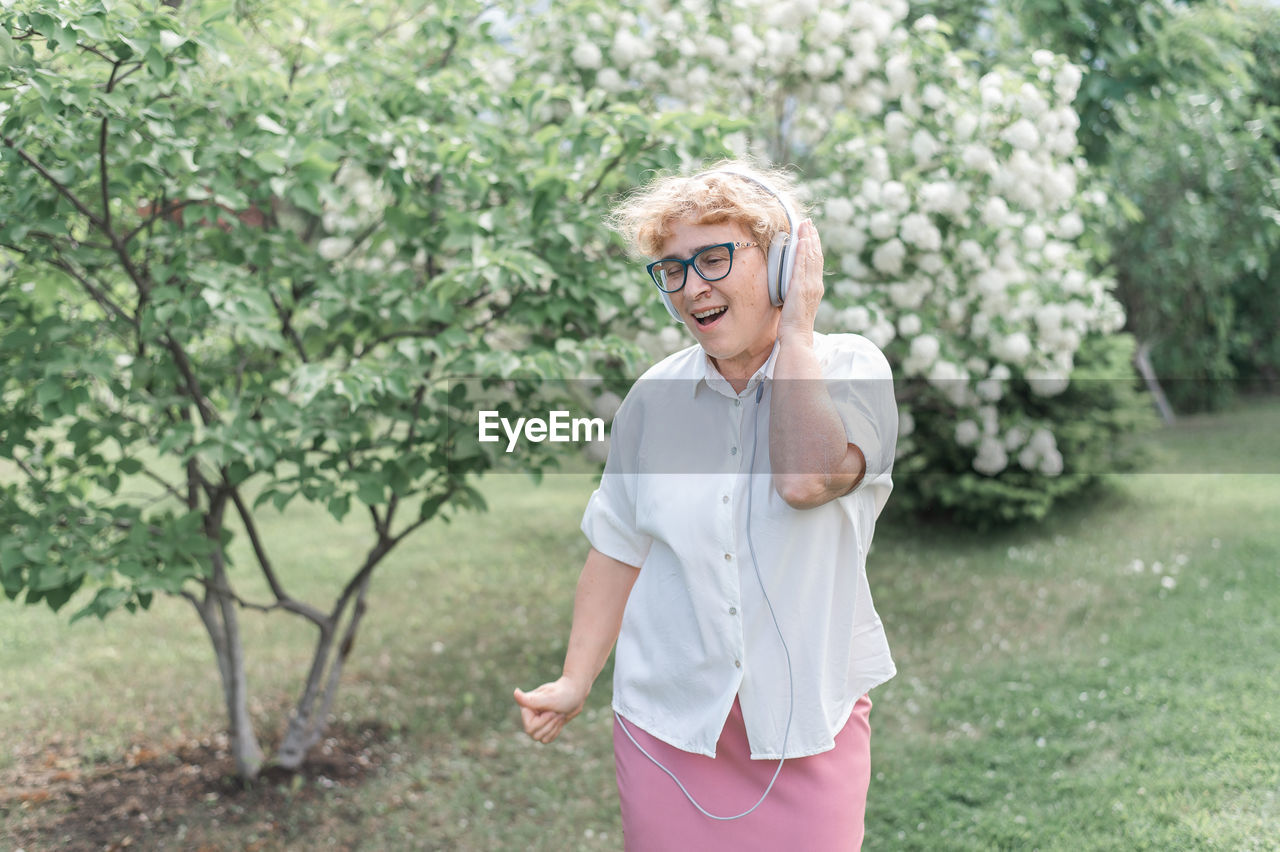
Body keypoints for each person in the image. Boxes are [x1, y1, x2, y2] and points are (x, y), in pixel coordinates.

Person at [513, 160, 898, 850]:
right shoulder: (651, 400)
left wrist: (797, 335)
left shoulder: (851, 368)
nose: (692, 287)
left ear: (782, 264)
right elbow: (617, 548)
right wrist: (575, 680)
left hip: (809, 722)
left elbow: (806, 481)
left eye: (715, 258)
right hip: (668, 726)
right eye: (672, 269)